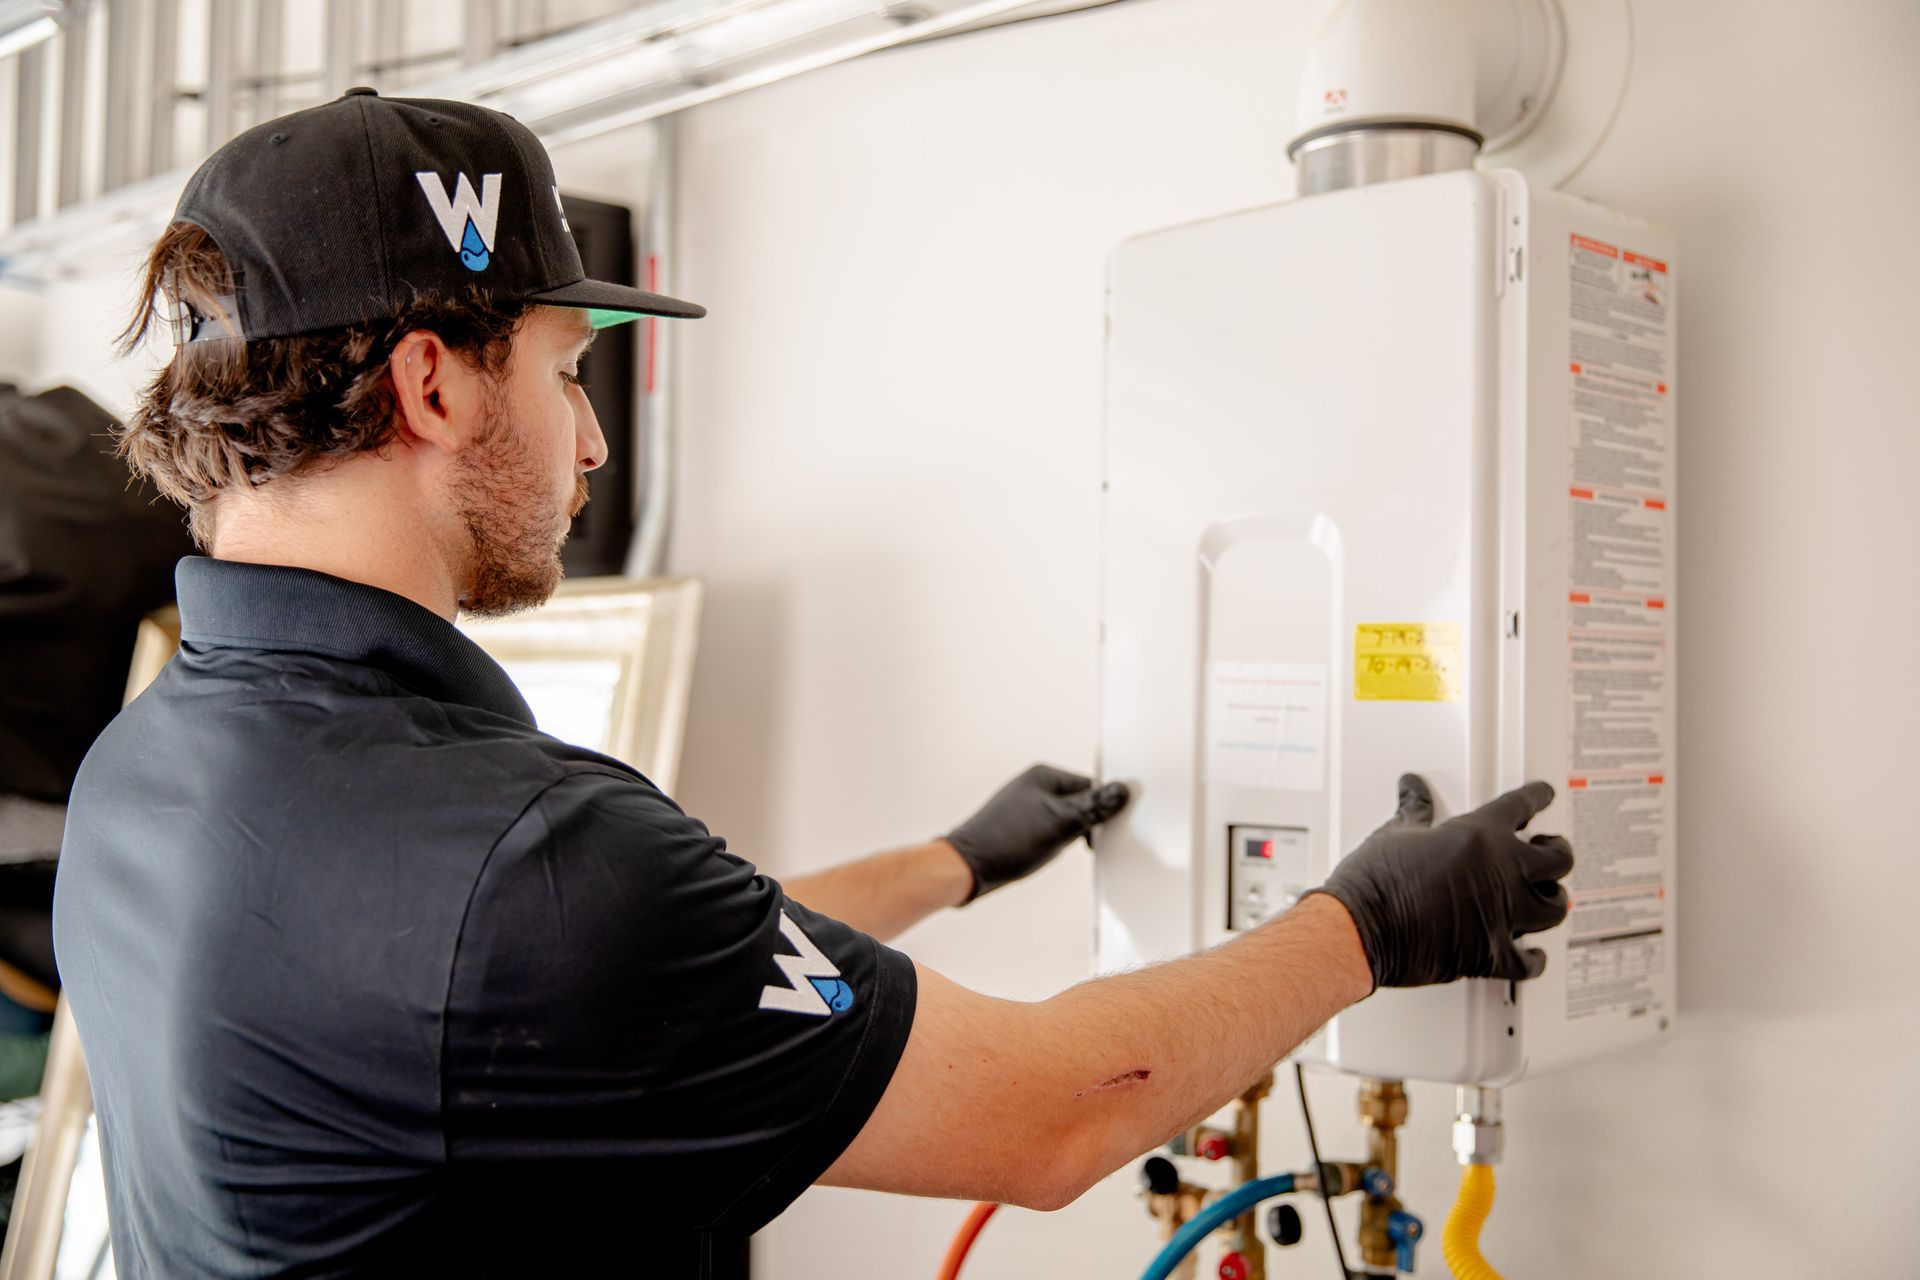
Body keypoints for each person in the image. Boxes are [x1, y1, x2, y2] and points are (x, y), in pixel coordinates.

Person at [52, 90, 1573, 1279]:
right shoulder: (524, 871)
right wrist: (1368, 924)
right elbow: (1058, 1109)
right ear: (433, 384)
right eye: (568, 369)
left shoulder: (141, 771)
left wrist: (954, 862)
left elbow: (570, 987)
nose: (592, 440)